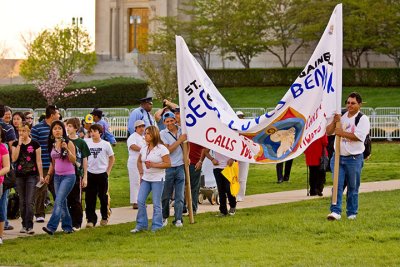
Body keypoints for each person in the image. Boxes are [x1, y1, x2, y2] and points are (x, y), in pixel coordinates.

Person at [326, 92, 370, 221]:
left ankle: (352, 212)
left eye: (353, 103)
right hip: (338, 157)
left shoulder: (362, 119)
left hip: (354, 158)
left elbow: (359, 137)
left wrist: (342, 133)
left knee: (353, 186)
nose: (349, 105)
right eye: (348, 102)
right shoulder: (341, 115)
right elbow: (328, 132)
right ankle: (335, 211)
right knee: (337, 185)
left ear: (359, 105)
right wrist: (335, 122)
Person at [131, 126, 171, 233]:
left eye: (148, 133)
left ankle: (157, 226)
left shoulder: (162, 148)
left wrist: (154, 165)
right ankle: (141, 225)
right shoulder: (144, 148)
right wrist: (141, 173)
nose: (145, 135)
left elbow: (168, 164)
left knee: (156, 203)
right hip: (146, 178)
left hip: (158, 179)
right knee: (140, 200)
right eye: (145, 133)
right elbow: (139, 161)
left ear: (154, 135)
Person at [42, 120, 77, 235]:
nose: (57, 130)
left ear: (63, 130)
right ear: (52, 131)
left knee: (58, 201)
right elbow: (53, 163)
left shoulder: (69, 143)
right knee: (62, 202)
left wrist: (66, 149)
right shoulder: (51, 145)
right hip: (57, 177)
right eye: (55, 128)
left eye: (59, 128)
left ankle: (51, 227)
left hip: (69, 176)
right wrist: (48, 175)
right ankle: (67, 227)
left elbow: (74, 161)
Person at [11, 122, 44, 234]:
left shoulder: (35, 144)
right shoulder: (16, 144)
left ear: (29, 131)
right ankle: (24, 225)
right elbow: (14, 159)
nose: (21, 133)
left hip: (32, 175)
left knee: (30, 201)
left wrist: (41, 175)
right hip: (19, 176)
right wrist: (19, 144)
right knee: (22, 201)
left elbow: (39, 161)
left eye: (24, 131)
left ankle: (29, 225)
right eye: (20, 131)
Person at [31, 105, 60, 223]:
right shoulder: (37, 128)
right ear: (52, 115)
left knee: (57, 189)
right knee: (41, 189)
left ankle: (61, 212)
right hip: (42, 164)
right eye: (57, 113)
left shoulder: (58, 128)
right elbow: (33, 147)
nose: (59, 115)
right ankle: (39, 214)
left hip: (57, 164)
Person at [160, 111, 187, 227]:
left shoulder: (182, 130)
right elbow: (168, 150)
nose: (170, 123)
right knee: (166, 195)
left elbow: (187, 145)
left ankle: (178, 219)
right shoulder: (163, 133)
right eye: (167, 121)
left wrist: (186, 157)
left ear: (175, 120)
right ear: (164, 122)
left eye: (171, 120)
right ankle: (164, 216)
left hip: (180, 166)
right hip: (169, 167)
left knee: (180, 195)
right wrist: (179, 140)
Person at [85, 124, 115, 227]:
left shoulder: (105, 144)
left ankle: (105, 217)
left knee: (103, 197)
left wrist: (108, 171)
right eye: (91, 131)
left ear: (100, 133)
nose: (92, 133)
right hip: (90, 173)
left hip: (102, 174)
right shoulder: (87, 143)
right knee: (90, 198)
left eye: (95, 131)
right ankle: (90, 219)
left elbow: (112, 158)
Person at [65, 118, 90, 231]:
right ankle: (68, 221)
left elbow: (84, 160)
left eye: (70, 126)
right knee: (67, 198)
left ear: (76, 128)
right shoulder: (64, 141)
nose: (68, 128)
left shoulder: (81, 142)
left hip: (77, 173)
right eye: (67, 126)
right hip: (65, 173)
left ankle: (77, 222)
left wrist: (85, 176)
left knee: (76, 199)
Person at [204, 149, 237, 216]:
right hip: (217, 168)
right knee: (221, 190)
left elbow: (238, 150)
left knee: (229, 189)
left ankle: (232, 206)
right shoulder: (214, 141)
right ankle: (223, 211)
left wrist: (233, 159)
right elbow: (205, 151)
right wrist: (212, 159)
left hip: (228, 167)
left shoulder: (231, 139)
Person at [0, 105, 16, 231]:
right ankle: (4, 222)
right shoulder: (8, 128)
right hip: (4, 165)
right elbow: (12, 147)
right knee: (3, 197)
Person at [127, 120, 146, 209]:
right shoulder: (133, 136)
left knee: (142, 181)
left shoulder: (143, 137)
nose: (142, 128)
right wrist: (143, 150)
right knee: (135, 181)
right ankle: (135, 201)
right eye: (140, 127)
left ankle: (141, 200)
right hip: (134, 161)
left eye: (143, 126)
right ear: (136, 128)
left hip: (142, 162)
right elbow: (132, 146)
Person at [186, 142, 205, 214]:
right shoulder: (184, 133)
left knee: (194, 187)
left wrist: (200, 161)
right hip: (183, 163)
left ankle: (193, 209)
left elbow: (205, 148)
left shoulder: (198, 134)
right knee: (183, 187)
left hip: (194, 164)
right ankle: (184, 207)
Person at [0, 125, 11, 245]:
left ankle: (0, 236)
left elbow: (7, 167)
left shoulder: (3, 148)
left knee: (1, 209)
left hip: (0, 182)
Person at [235, 111, 250, 202]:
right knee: (233, 176)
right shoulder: (233, 129)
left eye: (242, 117)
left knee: (242, 177)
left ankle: (240, 195)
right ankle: (233, 193)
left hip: (244, 155)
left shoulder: (246, 129)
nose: (241, 118)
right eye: (239, 116)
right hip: (235, 155)